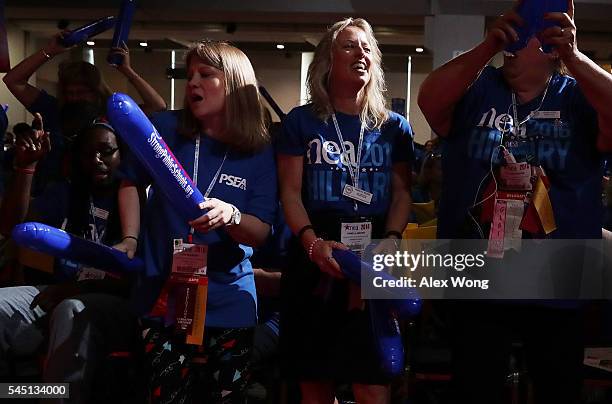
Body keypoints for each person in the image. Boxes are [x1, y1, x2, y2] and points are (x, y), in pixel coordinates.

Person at [418, 1, 612, 403]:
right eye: (513, 27)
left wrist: (573, 57)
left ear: (548, 48)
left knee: (557, 389)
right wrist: (487, 45)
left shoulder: (576, 95)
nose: (514, 38)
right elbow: (429, 100)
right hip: (478, 272)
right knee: (474, 389)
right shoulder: (479, 87)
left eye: (526, 33)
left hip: (560, 274)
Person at [116, 40, 277, 403]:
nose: (192, 84)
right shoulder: (165, 128)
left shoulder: (257, 147)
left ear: (234, 83)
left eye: (206, 74)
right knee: (166, 395)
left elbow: (261, 231)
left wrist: (232, 215)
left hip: (230, 293)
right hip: (164, 291)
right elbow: (129, 181)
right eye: (190, 76)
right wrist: (129, 237)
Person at [276, 17, 414, 404]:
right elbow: (289, 193)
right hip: (315, 253)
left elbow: (403, 193)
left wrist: (392, 238)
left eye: (367, 47)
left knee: (372, 382)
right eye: (350, 46)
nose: (361, 53)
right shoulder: (301, 121)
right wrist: (310, 242)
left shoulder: (394, 128)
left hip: (373, 255)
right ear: (327, 60)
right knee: (315, 384)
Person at [0, 116, 140, 403]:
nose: (97, 159)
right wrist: (26, 168)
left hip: (115, 303)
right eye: (88, 153)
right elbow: (12, 228)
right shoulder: (68, 192)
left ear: (122, 154)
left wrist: (76, 290)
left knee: (70, 309)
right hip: (59, 290)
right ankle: (12, 394)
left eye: (107, 151)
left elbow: (136, 279)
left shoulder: (138, 199)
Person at [2, 32, 166, 194]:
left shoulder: (111, 115)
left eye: (81, 92)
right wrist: (50, 50)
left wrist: (127, 70)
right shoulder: (53, 109)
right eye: (69, 93)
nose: (74, 98)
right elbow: (13, 81)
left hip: (99, 198)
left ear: (95, 92)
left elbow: (157, 106)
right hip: (52, 196)